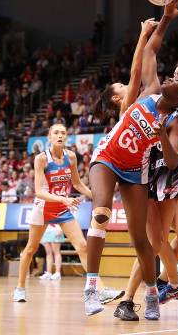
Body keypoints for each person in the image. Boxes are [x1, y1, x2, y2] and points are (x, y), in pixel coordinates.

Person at [85, 0, 178, 318]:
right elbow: (149, 52)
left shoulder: (174, 121)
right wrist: (165, 20)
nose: (173, 79)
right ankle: (91, 289)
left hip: (136, 171)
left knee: (141, 240)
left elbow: (174, 161)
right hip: (107, 158)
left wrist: (161, 131)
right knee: (102, 213)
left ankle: (150, 296)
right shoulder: (148, 91)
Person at [13, 123, 117, 305]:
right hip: (43, 208)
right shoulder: (41, 159)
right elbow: (38, 191)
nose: (60, 135)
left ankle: (99, 290)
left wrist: (98, 197)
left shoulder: (71, 156)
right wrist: (64, 199)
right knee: (30, 249)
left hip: (62, 208)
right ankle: (20, 288)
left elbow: (77, 184)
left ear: (66, 137)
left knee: (83, 246)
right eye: (56, 132)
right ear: (49, 137)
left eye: (63, 132)